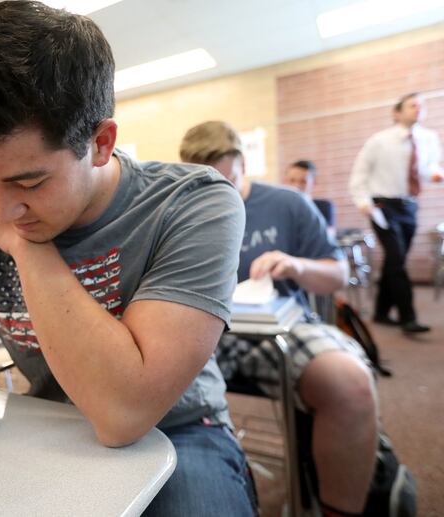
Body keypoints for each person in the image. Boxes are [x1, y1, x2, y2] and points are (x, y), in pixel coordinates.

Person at [0, 3, 256, 515]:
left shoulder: (196, 203)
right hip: (43, 424)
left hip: (179, 430)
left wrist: (30, 250)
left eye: (29, 182)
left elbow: (124, 415)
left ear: (100, 143)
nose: (1, 207)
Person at [181, 121, 379, 517]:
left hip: (280, 328)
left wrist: (294, 265)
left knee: (350, 384)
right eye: (202, 179)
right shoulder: (183, 207)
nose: (216, 192)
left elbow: (337, 274)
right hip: (205, 331)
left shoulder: (287, 203)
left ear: (242, 163)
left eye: (226, 179)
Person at [349, 92, 443, 333]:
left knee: (395, 260)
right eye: (412, 105)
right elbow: (360, 173)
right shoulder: (379, 140)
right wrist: (362, 201)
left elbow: (427, 168)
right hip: (383, 206)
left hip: (409, 205)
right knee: (397, 259)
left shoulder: (428, 138)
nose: (418, 109)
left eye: (421, 105)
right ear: (397, 113)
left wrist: (435, 175)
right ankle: (407, 317)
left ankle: (381, 312)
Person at [284, 159, 336, 232]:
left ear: (314, 182)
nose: (296, 186)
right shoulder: (281, 209)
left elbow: (328, 236)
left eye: (303, 181)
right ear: (285, 181)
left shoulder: (324, 206)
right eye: (292, 180)